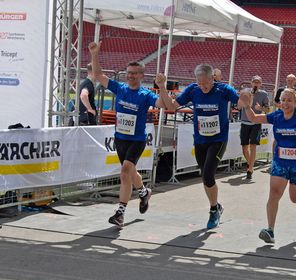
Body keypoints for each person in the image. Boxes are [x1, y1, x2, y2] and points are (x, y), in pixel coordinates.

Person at [89, 41, 170, 228]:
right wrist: (95, 54)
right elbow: (99, 75)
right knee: (131, 172)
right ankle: (143, 192)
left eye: (135, 73)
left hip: (137, 140)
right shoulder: (120, 88)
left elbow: (164, 104)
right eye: (129, 73)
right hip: (120, 138)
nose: (131, 76)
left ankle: (120, 212)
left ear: (142, 76)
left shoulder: (145, 94)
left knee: (125, 172)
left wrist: (162, 86)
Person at [239, 87, 296, 244]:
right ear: (279, 103)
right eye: (283, 100)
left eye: (289, 100)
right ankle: (270, 230)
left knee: (295, 198)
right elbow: (254, 118)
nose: (286, 103)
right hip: (280, 162)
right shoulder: (276, 116)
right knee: (274, 194)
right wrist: (247, 106)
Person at [157, 64, 244, 229]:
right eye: (200, 83)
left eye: (206, 83)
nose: (203, 87)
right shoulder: (193, 90)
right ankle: (216, 205)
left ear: (213, 78)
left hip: (218, 140)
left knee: (209, 175)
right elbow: (171, 106)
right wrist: (162, 87)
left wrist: (246, 99)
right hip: (200, 140)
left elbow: (240, 103)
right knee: (205, 176)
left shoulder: (223, 90)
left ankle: (213, 210)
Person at [239, 75, 270, 180]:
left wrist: (260, 108)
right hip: (244, 122)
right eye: (254, 82)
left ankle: (250, 169)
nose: (256, 84)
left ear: (261, 84)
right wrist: (244, 102)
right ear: (251, 82)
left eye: (258, 82)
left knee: (253, 146)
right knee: (244, 148)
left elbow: (268, 110)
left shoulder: (263, 94)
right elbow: (238, 106)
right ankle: (250, 163)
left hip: (256, 123)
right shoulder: (245, 92)